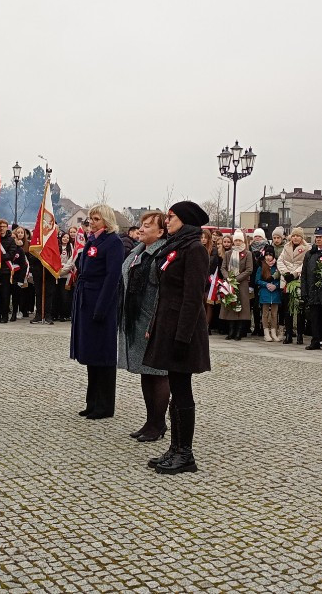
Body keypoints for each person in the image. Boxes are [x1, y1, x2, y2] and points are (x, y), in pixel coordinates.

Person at [143, 201, 211, 475]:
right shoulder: (177, 247)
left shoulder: (194, 250)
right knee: (176, 387)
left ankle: (186, 454)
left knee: (182, 390)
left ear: (185, 220)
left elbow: (193, 298)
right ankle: (175, 448)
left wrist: (181, 337)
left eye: (171, 217)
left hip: (184, 332)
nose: (166, 221)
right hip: (169, 326)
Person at [117, 210, 169, 442]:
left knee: (157, 374)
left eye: (148, 226)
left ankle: (158, 424)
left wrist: (155, 322)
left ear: (160, 232)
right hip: (136, 320)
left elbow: (162, 294)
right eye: (141, 224)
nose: (141, 228)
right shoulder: (139, 251)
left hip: (152, 322)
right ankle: (150, 421)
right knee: (145, 373)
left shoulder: (161, 255)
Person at [70, 205, 125, 419]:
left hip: (101, 303)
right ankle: (92, 401)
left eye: (95, 218)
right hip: (86, 299)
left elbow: (112, 278)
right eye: (90, 219)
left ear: (106, 221)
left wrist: (102, 307)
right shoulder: (92, 240)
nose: (91, 222)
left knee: (103, 355)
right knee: (90, 353)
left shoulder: (113, 243)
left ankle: (104, 405)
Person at [219, 230, 252, 340]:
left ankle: (239, 332)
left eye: (239, 240)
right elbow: (223, 267)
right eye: (236, 240)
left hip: (241, 284)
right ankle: (231, 331)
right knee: (231, 306)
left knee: (241, 307)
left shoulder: (247, 254)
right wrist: (228, 278)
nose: (237, 242)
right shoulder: (228, 254)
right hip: (230, 283)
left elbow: (249, 269)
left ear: (242, 241)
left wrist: (236, 279)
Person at [277, 229, 308, 344]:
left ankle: (300, 334)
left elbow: (305, 263)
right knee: (287, 309)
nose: (295, 238)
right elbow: (280, 261)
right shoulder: (286, 247)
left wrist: (295, 273)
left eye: (298, 236)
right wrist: (286, 273)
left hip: (298, 280)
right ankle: (288, 334)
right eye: (293, 235)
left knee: (300, 310)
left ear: (301, 237)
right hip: (286, 280)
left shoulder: (306, 248)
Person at [255, 249, 282, 341]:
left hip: (275, 292)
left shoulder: (277, 267)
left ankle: (274, 332)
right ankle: (266, 332)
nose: (268, 257)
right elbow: (257, 280)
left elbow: (280, 279)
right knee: (265, 313)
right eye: (266, 255)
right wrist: (265, 284)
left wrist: (276, 286)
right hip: (265, 292)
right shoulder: (261, 266)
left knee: (274, 313)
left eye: (270, 255)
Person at [249, 228, 270, 337]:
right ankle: (256, 326)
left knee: (263, 306)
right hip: (252, 280)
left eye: (259, 236)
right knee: (255, 306)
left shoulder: (267, 248)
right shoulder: (250, 248)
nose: (257, 238)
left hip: (264, 279)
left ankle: (263, 326)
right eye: (255, 236)